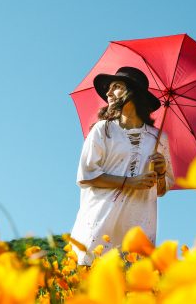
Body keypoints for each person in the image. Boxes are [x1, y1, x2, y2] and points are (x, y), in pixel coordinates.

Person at [70, 66, 174, 266]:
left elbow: (161, 190)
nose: (108, 93)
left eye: (116, 87)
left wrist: (161, 173)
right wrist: (129, 182)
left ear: (133, 93)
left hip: (139, 223)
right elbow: (87, 175)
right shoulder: (103, 130)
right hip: (100, 221)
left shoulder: (158, 139)